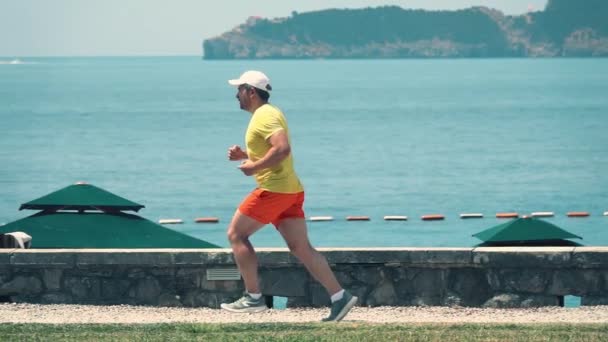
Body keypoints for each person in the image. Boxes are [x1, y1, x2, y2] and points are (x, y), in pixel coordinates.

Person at [220, 70, 357, 322]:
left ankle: (253, 298)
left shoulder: (263, 116)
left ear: (251, 91)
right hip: (290, 190)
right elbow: (275, 155)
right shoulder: (271, 113)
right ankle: (340, 297)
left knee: (236, 235)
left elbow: (282, 149)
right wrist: (245, 158)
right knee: (301, 247)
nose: (235, 94)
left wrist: (252, 167)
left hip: (274, 189)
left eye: (239, 89)